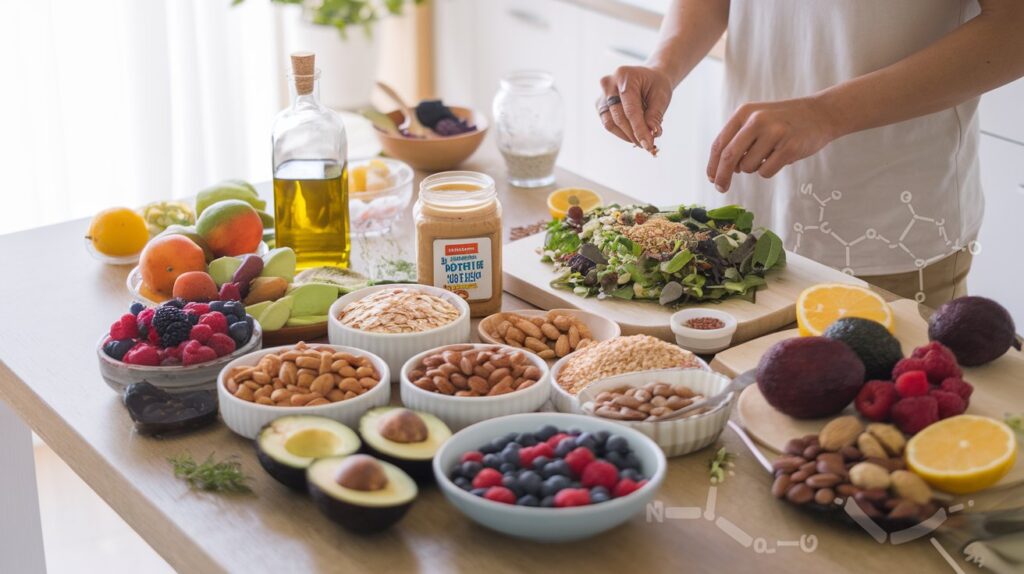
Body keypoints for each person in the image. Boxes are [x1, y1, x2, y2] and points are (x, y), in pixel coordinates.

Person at [597, 0, 1024, 305]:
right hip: (742, 216)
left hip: (884, 226)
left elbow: (1014, 27)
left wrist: (828, 112)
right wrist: (662, 67)